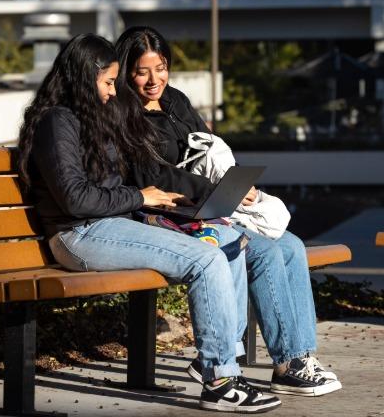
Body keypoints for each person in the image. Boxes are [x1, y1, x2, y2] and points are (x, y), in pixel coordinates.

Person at [17, 33, 281, 413]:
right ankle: (220, 380)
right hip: (80, 233)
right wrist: (141, 198)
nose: (112, 91)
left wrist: (157, 204)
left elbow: (118, 181)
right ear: (82, 77)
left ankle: (226, 361)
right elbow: (76, 199)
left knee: (226, 241)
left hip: (111, 224)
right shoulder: (57, 122)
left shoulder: (90, 117)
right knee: (205, 260)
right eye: (108, 82)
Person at [115, 25, 343, 397]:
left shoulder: (176, 102)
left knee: (290, 245)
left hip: (202, 205)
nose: (154, 79)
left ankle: (297, 358)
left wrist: (235, 188)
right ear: (126, 72)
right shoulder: (124, 115)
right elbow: (152, 173)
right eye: (143, 71)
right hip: (163, 212)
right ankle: (257, 360)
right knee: (264, 250)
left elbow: (209, 150)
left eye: (161, 68)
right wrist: (219, 193)